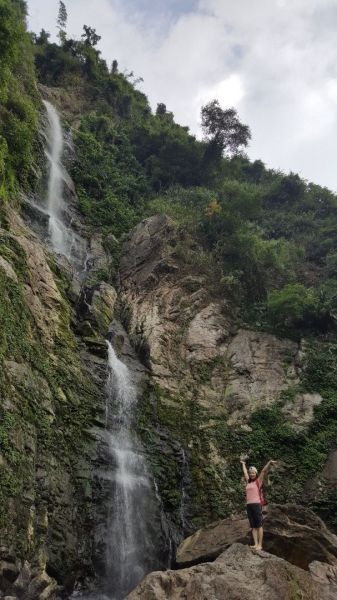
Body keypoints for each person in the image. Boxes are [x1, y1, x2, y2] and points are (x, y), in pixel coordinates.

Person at [240, 458, 277, 550]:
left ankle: (260, 545)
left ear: (256, 473)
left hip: (256, 505)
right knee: (253, 526)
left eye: (253, 472)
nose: (251, 474)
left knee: (259, 525)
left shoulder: (258, 481)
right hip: (249, 505)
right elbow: (245, 472)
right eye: (250, 472)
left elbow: (263, 471)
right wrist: (243, 464)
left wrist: (269, 463)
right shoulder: (248, 482)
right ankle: (255, 544)